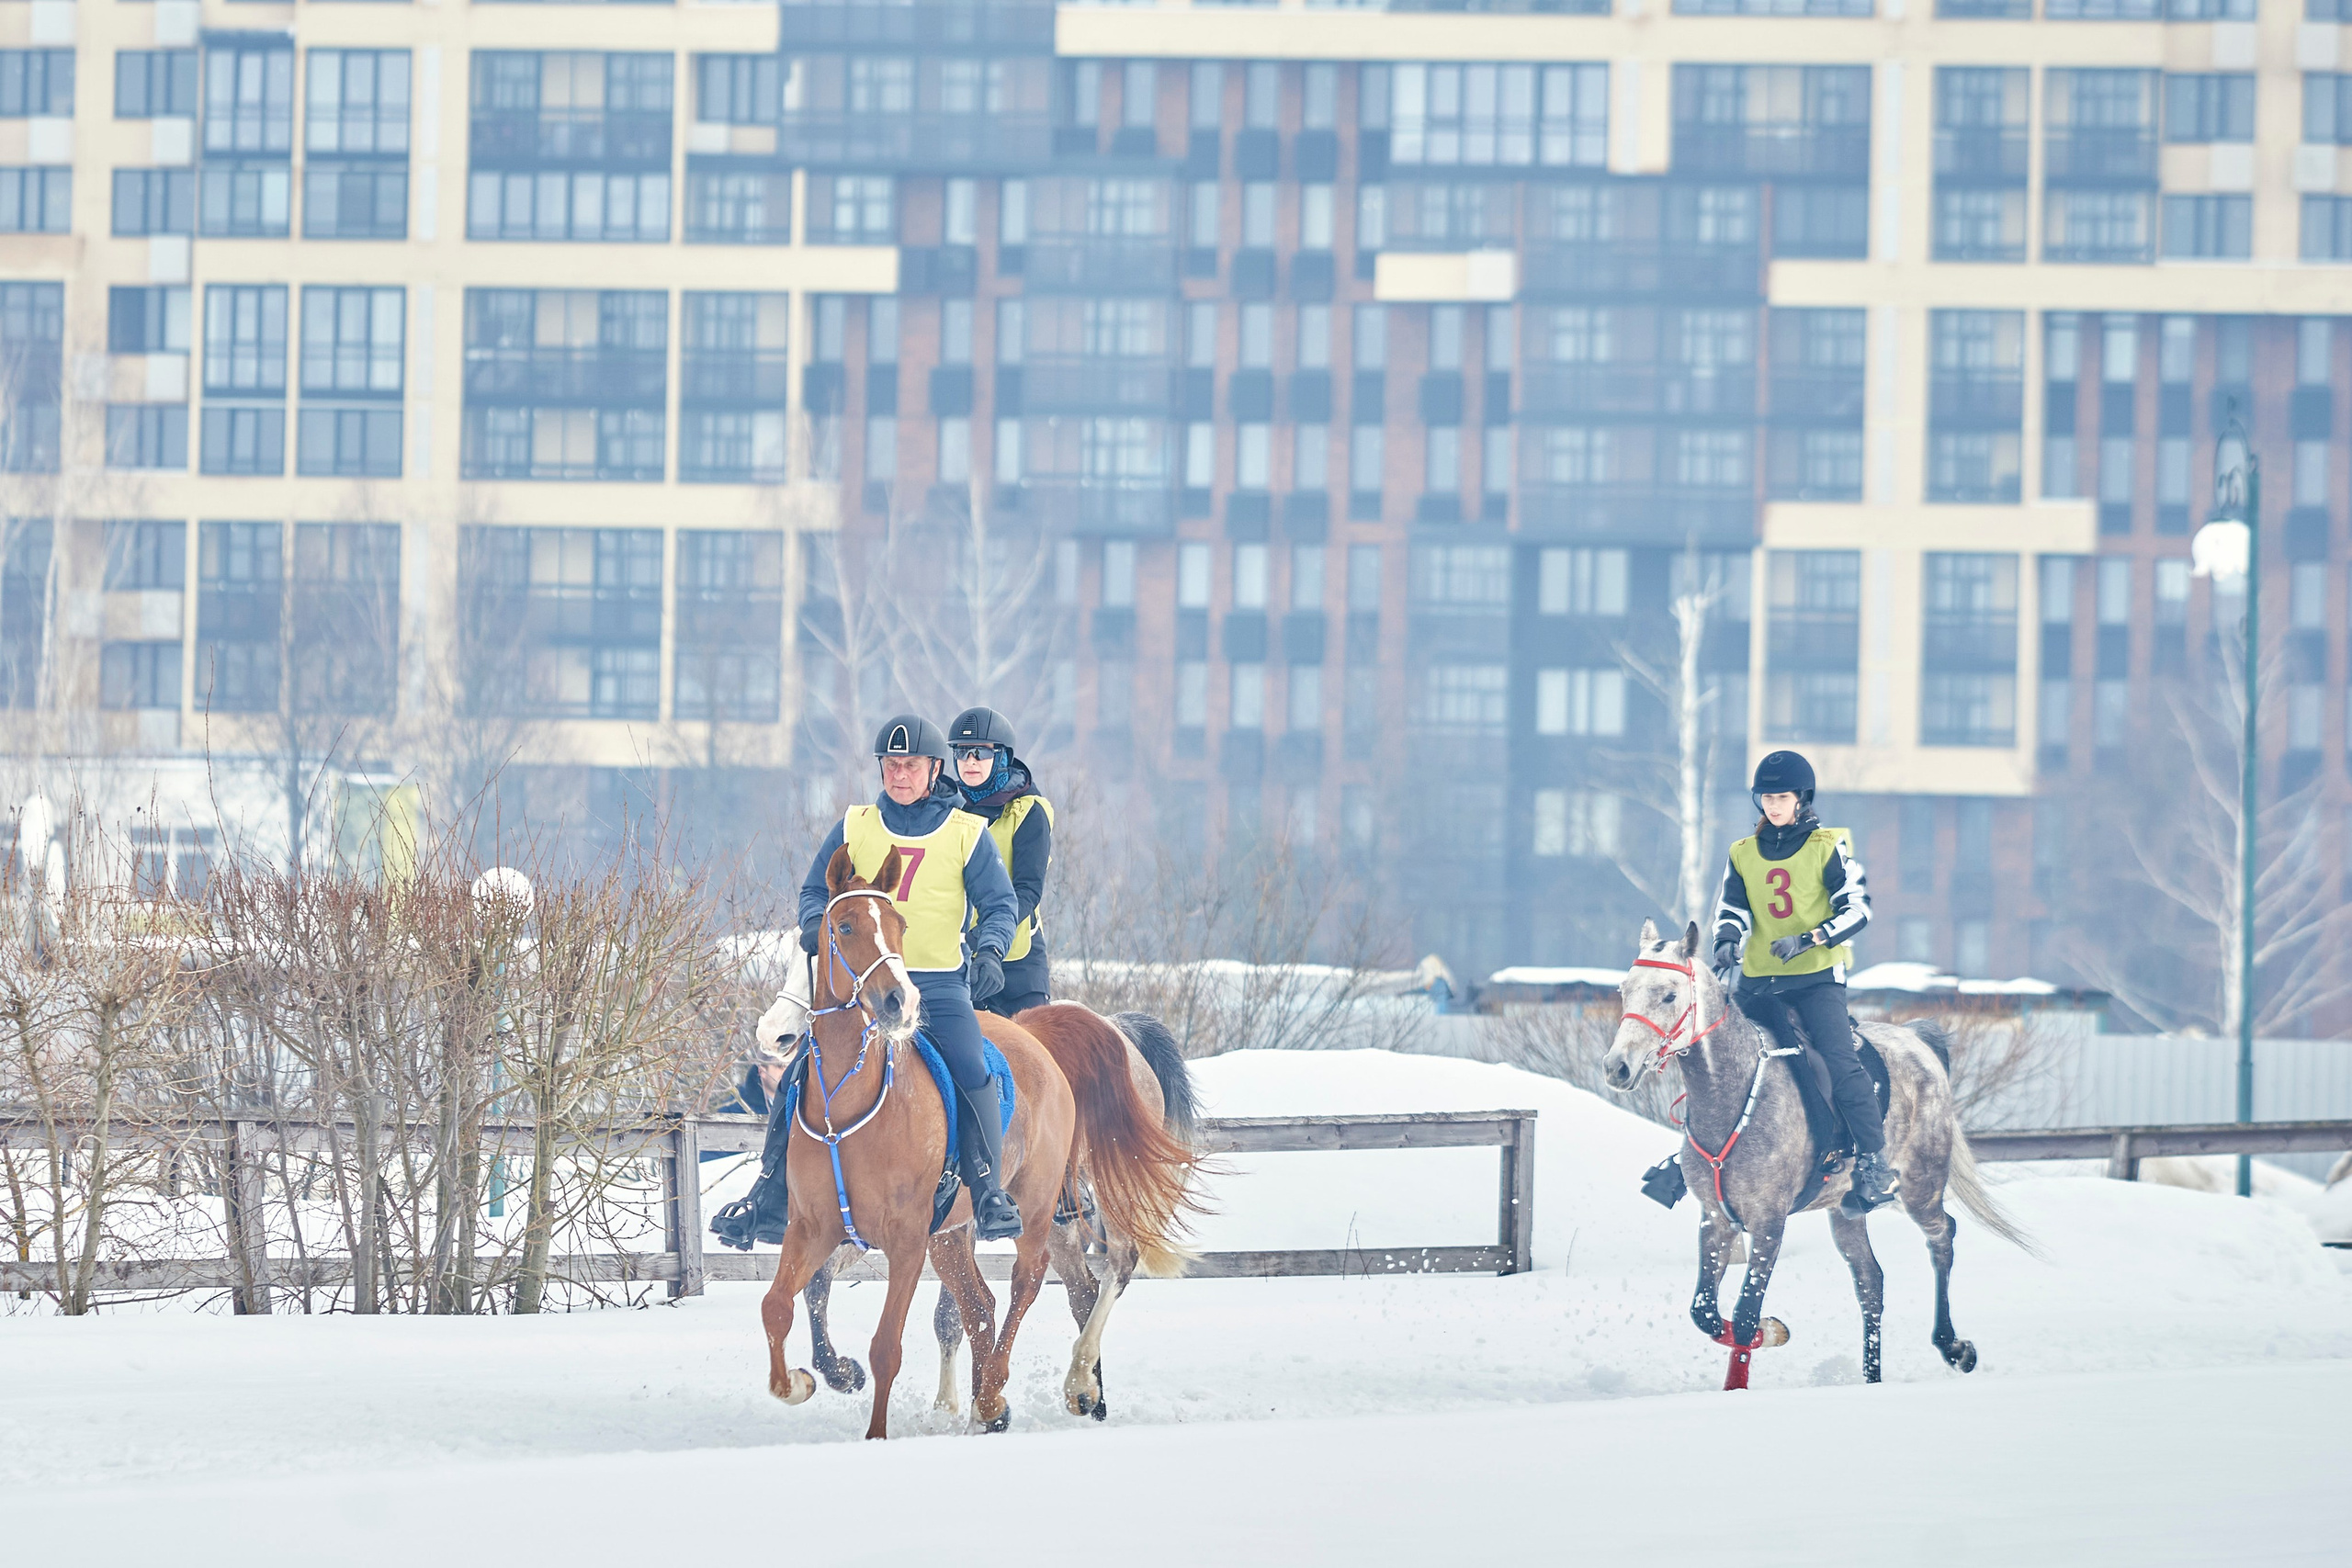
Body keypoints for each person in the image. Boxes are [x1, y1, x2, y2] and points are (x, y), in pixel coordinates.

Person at [795, 714, 1025, 1241]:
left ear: (934, 768)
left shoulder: (966, 831)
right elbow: (814, 892)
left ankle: (988, 1192)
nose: (900, 775)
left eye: (912, 765)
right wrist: (815, 926)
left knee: (971, 1066)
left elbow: (999, 902)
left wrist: (990, 950)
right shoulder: (855, 824)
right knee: (801, 1070)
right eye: (891, 765)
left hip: (938, 984)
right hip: (858, 990)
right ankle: (768, 1190)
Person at [1712, 749, 1901, 1213]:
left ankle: (1875, 1166)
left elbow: (1858, 908)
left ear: (1801, 798)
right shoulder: (1742, 852)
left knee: (1840, 1061)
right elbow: (1732, 907)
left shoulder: (1827, 847)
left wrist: (1811, 937)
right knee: (1715, 1055)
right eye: (1766, 798)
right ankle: (1691, 1160)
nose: (1773, 805)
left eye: (1782, 796)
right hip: (1759, 977)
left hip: (1816, 978)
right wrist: (1726, 938)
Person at [946, 705, 1056, 1017]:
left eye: (980, 753)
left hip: (1017, 965)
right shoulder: (950, 808)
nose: (970, 762)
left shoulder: (1029, 811)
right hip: (958, 957)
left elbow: (1027, 891)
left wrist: (987, 936)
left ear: (1002, 757)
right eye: (962, 753)